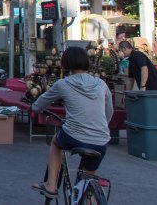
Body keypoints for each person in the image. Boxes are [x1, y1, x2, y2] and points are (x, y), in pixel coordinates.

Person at [31, 46, 113, 199]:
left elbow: (39, 103)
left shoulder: (63, 84)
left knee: (56, 143)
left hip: (73, 136)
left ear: (65, 64)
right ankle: (85, 195)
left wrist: (35, 107)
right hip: (101, 140)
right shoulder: (101, 84)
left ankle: (51, 185)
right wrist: (100, 127)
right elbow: (109, 110)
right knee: (85, 182)